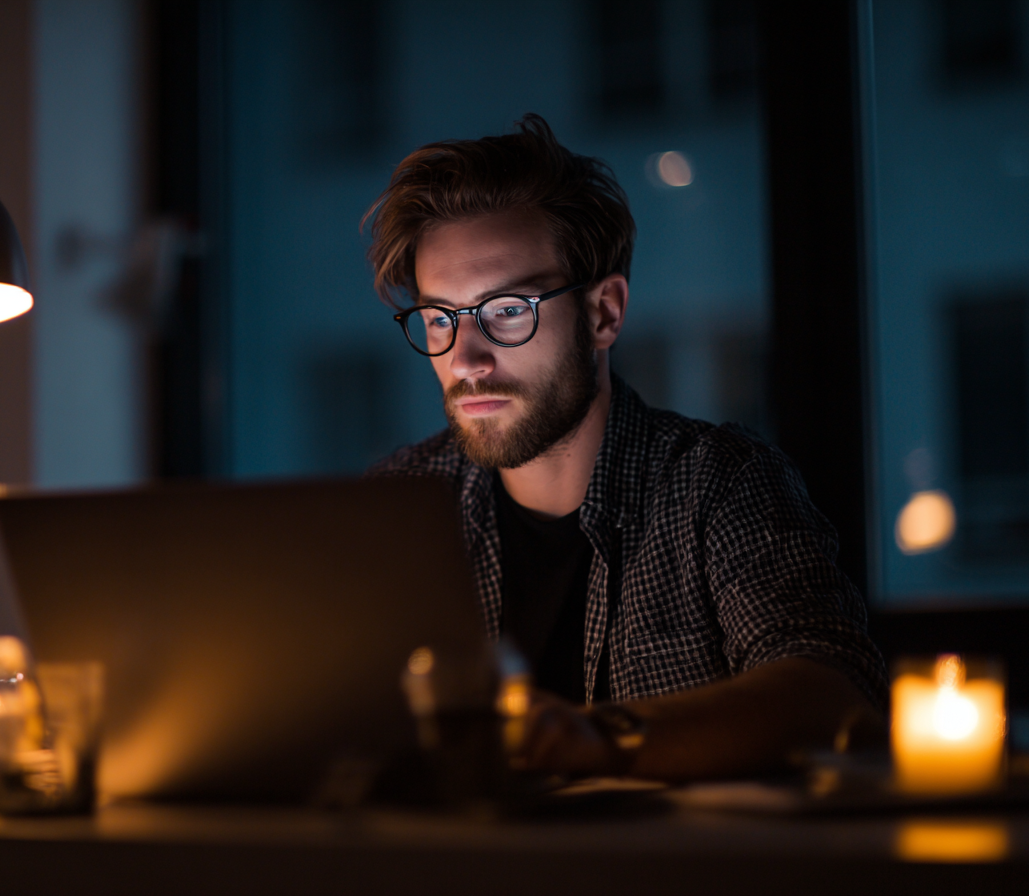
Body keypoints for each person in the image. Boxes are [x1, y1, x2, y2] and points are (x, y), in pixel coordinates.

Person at [365, 114, 887, 782]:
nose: (465, 359)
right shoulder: (403, 502)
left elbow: (833, 689)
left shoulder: (717, 486)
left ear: (603, 313)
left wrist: (605, 739)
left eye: (508, 311)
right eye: (440, 318)